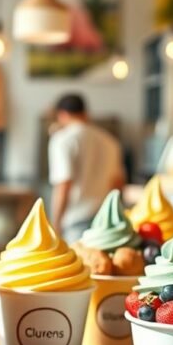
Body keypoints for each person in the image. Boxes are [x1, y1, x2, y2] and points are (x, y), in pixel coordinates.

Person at [48, 93, 125, 242]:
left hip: (76, 222)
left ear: (62, 115)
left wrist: (55, 224)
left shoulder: (62, 140)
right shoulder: (110, 141)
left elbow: (64, 185)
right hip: (105, 224)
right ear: (85, 113)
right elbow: (118, 184)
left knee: (77, 265)